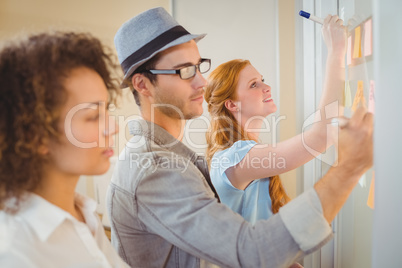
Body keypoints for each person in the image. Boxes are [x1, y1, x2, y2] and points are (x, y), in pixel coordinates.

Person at [107, 7, 373, 268]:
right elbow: (250, 252)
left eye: (199, 67)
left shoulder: (180, 161)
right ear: (142, 85)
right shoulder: (157, 169)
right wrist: (351, 167)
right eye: (185, 71)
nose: (202, 82)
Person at [0, 31, 129, 267]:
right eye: (92, 117)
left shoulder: (84, 215)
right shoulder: (14, 253)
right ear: (35, 136)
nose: (113, 127)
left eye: (106, 110)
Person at [204, 14, 346, 225]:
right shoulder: (235, 158)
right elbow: (321, 137)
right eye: (254, 85)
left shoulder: (242, 152)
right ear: (232, 104)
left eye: (262, 80)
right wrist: (336, 52)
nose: (266, 87)